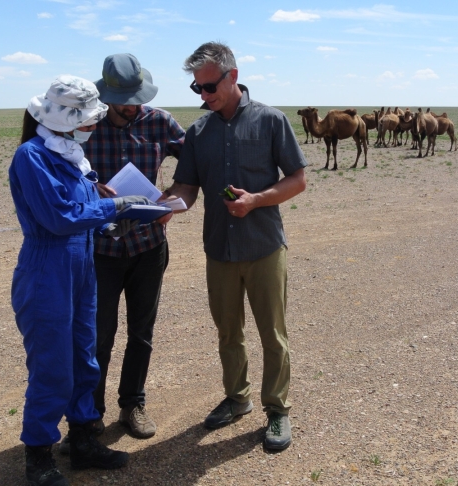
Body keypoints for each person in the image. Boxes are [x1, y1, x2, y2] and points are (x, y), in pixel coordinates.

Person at [159, 42, 307, 451]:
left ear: (233, 76)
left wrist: (256, 200)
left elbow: (298, 179)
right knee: (228, 332)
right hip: (219, 249)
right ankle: (237, 398)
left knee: (272, 333)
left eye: (209, 87)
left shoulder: (271, 121)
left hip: (264, 246)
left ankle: (277, 410)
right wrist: (166, 205)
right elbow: (187, 186)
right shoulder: (198, 132)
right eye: (197, 89)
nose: (204, 96)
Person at [10, 75, 150, 486]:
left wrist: (109, 226)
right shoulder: (32, 156)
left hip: (80, 267)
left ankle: (83, 439)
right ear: (67, 119)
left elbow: (79, 212)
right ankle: (38, 455)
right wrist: (113, 207)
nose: (93, 126)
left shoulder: (71, 156)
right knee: (52, 366)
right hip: (46, 271)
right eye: (88, 120)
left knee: (84, 358)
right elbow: (58, 219)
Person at [83, 53, 186, 439]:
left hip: (148, 245)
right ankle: (90, 413)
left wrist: (173, 197)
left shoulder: (159, 121)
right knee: (99, 335)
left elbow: (193, 158)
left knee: (141, 332)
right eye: (123, 99)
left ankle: (133, 404)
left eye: (136, 97)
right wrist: (89, 186)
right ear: (106, 96)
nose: (131, 106)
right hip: (101, 249)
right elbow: (60, 167)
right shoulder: (87, 126)